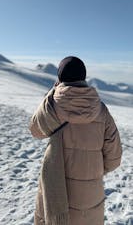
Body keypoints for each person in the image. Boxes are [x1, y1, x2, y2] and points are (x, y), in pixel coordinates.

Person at [29, 56, 122, 225]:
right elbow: (114, 158)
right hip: (91, 197)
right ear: (83, 77)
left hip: (57, 195)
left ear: (60, 78)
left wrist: (51, 93)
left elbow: (35, 130)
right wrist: (92, 170)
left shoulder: (52, 106)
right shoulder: (101, 110)